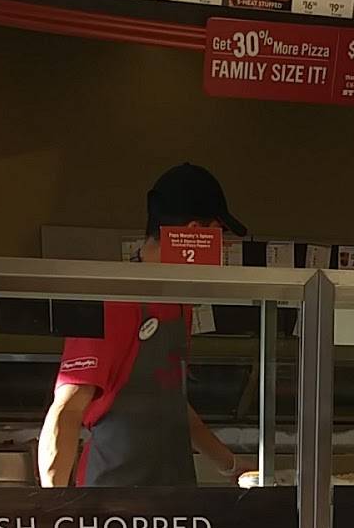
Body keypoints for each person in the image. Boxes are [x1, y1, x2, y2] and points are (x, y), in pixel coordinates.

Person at [38, 163, 246, 487]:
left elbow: (172, 403)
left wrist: (231, 465)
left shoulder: (180, 304)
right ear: (194, 232)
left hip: (174, 496)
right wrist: (55, 508)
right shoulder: (111, 300)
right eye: (220, 234)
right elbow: (66, 411)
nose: (225, 248)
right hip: (110, 499)